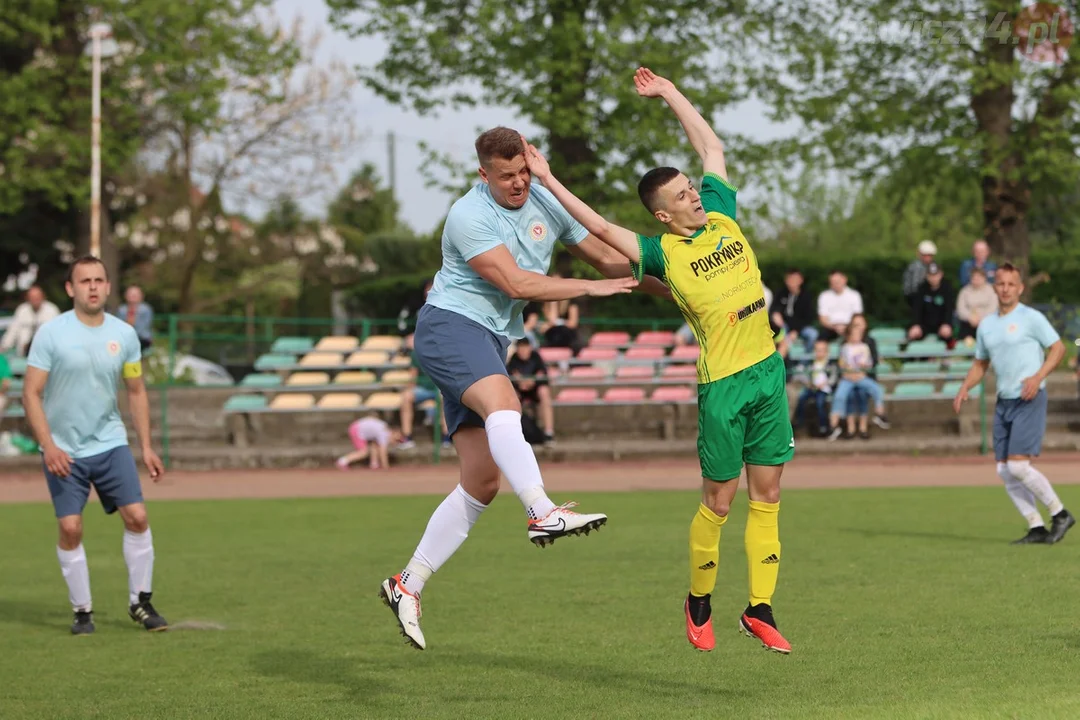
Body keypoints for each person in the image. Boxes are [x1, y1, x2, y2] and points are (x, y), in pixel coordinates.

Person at [523, 67, 795, 654]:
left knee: (768, 497)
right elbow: (596, 227)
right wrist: (545, 178)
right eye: (682, 195)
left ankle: (760, 608)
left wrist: (669, 93)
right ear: (663, 215)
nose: (695, 193)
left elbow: (711, 146)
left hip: (768, 373)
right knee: (719, 503)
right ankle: (699, 602)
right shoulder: (661, 253)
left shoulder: (722, 215)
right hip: (722, 386)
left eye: (692, 187)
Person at [377, 126, 670, 651]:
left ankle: (407, 584)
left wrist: (680, 290)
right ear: (483, 173)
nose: (517, 184)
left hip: (491, 339)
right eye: (506, 176)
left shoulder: (541, 196)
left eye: (523, 173)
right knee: (505, 403)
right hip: (450, 327)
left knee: (482, 482)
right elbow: (516, 284)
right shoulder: (469, 216)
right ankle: (541, 510)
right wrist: (589, 287)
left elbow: (608, 260)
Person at [21, 256, 168, 635]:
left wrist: (146, 446)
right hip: (64, 449)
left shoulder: (126, 335)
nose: (92, 286)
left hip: (110, 442)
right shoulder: (52, 334)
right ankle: (82, 611)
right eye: (84, 280)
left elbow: (136, 391)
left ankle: (141, 602)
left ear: (107, 287)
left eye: (99, 280)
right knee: (70, 528)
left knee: (137, 517)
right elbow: (31, 394)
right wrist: (48, 445)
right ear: (71, 289)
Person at [953, 263, 1074, 545]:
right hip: (1004, 402)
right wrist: (964, 387)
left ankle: (1060, 513)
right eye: (1001, 284)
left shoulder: (1031, 318)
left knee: (1018, 466)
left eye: (1011, 284)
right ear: (995, 287)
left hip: (1029, 399)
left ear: (1020, 288)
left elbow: (1058, 348)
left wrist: (1038, 376)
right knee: (1004, 470)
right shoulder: (987, 325)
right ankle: (1036, 527)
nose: (1006, 288)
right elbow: (981, 363)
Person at [826, 322, 890, 441]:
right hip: (847, 378)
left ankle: (880, 413)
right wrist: (849, 373)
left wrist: (862, 370)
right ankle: (833, 425)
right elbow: (842, 364)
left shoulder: (864, 347)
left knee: (876, 389)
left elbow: (868, 364)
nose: (858, 336)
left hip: (861, 377)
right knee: (839, 396)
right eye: (855, 334)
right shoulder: (845, 348)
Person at [506, 337, 554, 443]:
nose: (523, 350)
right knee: (512, 396)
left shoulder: (536, 357)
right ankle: (516, 431)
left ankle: (548, 432)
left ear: (530, 348)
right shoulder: (514, 359)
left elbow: (542, 375)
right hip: (520, 391)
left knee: (544, 393)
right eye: (521, 348)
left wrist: (531, 382)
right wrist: (521, 383)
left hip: (535, 389)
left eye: (525, 347)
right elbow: (511, 376)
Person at [0, 285, 60, 356]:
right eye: (32, 297)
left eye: (37, 297)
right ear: (27, 298)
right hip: (23, 355)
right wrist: (4, 346)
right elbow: (12, 331)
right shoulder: (22, 310)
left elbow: (59, 333)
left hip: (47, 354)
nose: (35, 300)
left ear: (43, 297)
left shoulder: (52, 310)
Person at [907, 262, 956, 348]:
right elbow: (917, 309)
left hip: (941, 324)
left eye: (936, 275)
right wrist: (915, 324)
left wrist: (947, 324)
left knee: (947, 334)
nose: (933, 278)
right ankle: (916, 359)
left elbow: (949, 309)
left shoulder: (947, 288)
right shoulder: (921, 288)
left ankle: (948, 358)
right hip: (925, 324)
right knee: (913, 333)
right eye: (931, 275)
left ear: (941, 274)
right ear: (926, 275)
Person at [770, 268, 818, 352]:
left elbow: (809, 318)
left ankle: (804, 362)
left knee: (813, 334)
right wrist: (775, 314)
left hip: (801, 327)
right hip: (783, 325)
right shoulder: (780, 293)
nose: (792, 282)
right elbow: (773, 309)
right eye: (790, 279)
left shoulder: (806, 296)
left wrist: (796, 330)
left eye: (795, 279)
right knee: (780, 335)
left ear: (801, 280)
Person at [336, 416, 402, 470]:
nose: (395, 442)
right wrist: (386, 466)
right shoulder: (384, 434)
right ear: (393, 432)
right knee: (363, 452)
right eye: (396, 439)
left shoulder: (384, 427)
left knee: (374, 445)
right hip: (356, 430)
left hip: (357, 426)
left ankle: (374, 464)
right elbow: (382, 451)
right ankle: (342, 461)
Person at [816, 271, 863, 342]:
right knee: (821, 337)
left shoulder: (854, 295)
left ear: (844, 280)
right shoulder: (824, 296)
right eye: (833, 282)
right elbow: (822, 318)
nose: (836, 284)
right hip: (831, 328)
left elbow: (857, 317)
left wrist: (847, 327)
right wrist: (835, 327)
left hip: (850, 327)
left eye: (838, 281)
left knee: (866, 338)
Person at [955, 267, 998, 343]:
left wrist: (981, 318)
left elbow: (993, 308)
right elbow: (960, 309)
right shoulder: (964, 291)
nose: (976, 281)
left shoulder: (991, 290)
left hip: (986, 322)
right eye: (974, 278)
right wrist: (970, 317)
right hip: (968, 322)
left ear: (984, 278)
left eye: (979, 278)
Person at [116, 286, 154, 351]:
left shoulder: (145, 309)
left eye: (135, 294)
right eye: (130, 294)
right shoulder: (122, 310)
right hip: (125, 339)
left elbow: (144, 327)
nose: (132, 296)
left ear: (141, 296)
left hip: (142, 338)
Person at [902, 240, 937, 309]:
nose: (928, 258)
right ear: (920, 255)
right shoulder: (915, 266)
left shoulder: (933, 265)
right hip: (914, 297)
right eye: (925, 255)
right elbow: (915, 288)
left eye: (930, 255)